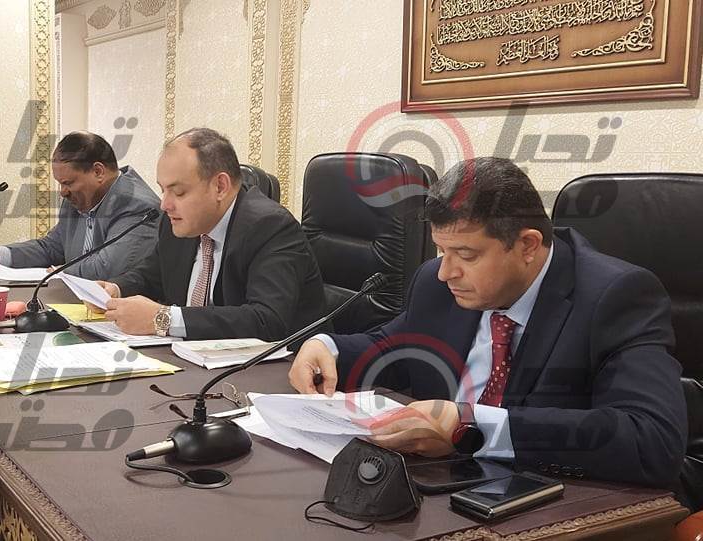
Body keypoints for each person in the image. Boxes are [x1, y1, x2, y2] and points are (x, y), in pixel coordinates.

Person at [288, 157, 687, 488]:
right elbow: (394, 347)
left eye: (466, 255)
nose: (446, 272)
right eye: (441, 250)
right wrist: (328, 349)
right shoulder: (437, 284)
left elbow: (652, 439)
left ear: (527, 245)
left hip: (548, 499)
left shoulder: (615, 297)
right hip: (437, 487)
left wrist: (472, 427)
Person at [95, 127, 326, 341]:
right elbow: (153, 274)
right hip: (189, 358)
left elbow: (266, 320)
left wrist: (162, 319)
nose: (165, 204)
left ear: (220, 187)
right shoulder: (178, 221)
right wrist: (115, 289)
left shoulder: (270, 227)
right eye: (163, 190)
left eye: (178, 192)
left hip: (279, 365)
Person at [0, 131, 160, 280]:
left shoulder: (137, 206)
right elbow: (52, 247)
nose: (63, 192)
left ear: (98, 172)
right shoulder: (78, 199)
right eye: (60, 184)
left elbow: (107, 268)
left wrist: (58, 272)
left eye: (68, 183)